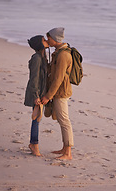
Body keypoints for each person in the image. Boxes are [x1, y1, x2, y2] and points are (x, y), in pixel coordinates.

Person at [41, 27, 74, 160]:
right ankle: (64, 148)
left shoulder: (63, 55)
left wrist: (48, 96)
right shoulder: (58, 52)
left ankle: (68, 153)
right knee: (62, 120)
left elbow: (58, 79)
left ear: (55, 39)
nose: (48, 40)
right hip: (59, 91)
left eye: (49, 38)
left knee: (64, 121)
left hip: (61, 92)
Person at [24, 35, 49, 156]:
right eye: (44, 40)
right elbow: (33, 78)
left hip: (41, 92)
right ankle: (34, 144)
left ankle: (33, 143)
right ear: (40, 44)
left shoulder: (43, 57)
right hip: (36, 93)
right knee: (36, 119)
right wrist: (36, 96)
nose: (46, 41)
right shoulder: (37, 58)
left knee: (38, 118)